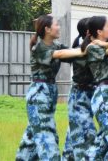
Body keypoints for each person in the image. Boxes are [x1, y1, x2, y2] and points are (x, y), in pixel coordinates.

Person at [16, 15, 86, 161]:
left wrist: (89, 46)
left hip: (49, 92)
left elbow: (71, 54)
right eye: (56, 25)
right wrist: (86, 49)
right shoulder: (38, 48)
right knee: (46, 135)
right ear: (47, 29)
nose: (59, 27)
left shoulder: (57, 45)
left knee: (31, 137)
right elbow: (60, 54)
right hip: (39, 94)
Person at [83, 16, 108, 161]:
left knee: (102, 143)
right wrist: (99, 42)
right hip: (104, 96)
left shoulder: (102, 44)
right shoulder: (93, 47)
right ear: (99, 31)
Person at [62, 18, 96, 161]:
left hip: (89, 94)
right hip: (79, 95)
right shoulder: (81, 50)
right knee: (84, 133)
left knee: (74, 132)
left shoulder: (88, 47)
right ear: (89, 32)